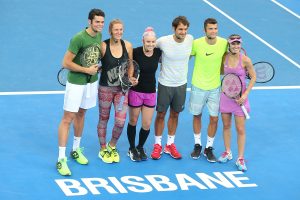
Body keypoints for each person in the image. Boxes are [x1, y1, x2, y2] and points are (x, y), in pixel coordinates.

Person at [56, 8, 105, 176]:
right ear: (89, 21)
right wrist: (86, 70)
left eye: (102, 22)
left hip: (91, 83)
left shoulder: (98, 36)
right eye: (97, 21)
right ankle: (61, 159)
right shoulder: (78, 38)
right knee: (67, 119)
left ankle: (75, 150)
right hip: (76, 83)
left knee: (82, 114)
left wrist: (95, 69)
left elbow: (94, 57)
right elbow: (65, 62)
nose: (100, 25)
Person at [150, 16, 193, 160]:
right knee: (161, 114)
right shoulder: (163, 41)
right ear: (174, 29)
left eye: (185, 29)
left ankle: (170, 144)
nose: (183, 32)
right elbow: (149, 49)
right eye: (180, 29)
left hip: (181, 85)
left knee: (175, 114)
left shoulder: (190, 39)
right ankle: (157, 145)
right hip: (165, 84)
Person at [97, 19, 136, 164]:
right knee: (104, 119)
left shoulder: (128, 45)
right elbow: (96, 62)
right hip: (105, 89)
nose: (119, 32)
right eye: (116, 30)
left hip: (122, 90)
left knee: (120, 121)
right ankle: (102, 149)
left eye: (121, 30)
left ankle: (111, 146)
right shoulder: (103, 46)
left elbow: (131, 64)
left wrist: (130, 77)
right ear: (110, 31)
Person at [189, 18, 227, 162]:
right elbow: (185, 57)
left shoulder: (224, 43)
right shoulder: (197, 43)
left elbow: (229, 58)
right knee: (197, 115)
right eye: (211, 29)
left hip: (215, 87)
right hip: (198, 86)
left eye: (215, 28)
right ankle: (198, 144)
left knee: (214, 118)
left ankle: (209, 147)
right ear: (205, 30)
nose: (214, 31)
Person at [218, 34, 256, 171]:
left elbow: (254, 77)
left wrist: (245, 94)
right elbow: (222, 73)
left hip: (240, 100)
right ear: (229, 44)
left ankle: (240, 158)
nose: (236, 46)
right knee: (226, 125)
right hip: (226, 97)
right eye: (233, 44)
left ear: (240, 44)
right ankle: (227, 152)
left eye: (238, 43)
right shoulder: (224, 57)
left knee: (240, 129)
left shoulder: (245, 60)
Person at [126, 27, 162, 162]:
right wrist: (129, 78)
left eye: (153, 42)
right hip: (136, 91)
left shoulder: (158, 52)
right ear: (143, 41)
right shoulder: (135, 52)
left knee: (146, 124)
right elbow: (126, 65)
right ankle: (131, 148)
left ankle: (140, 147)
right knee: (133, 121)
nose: (151, 44)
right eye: (148, 42)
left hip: (151, 92)